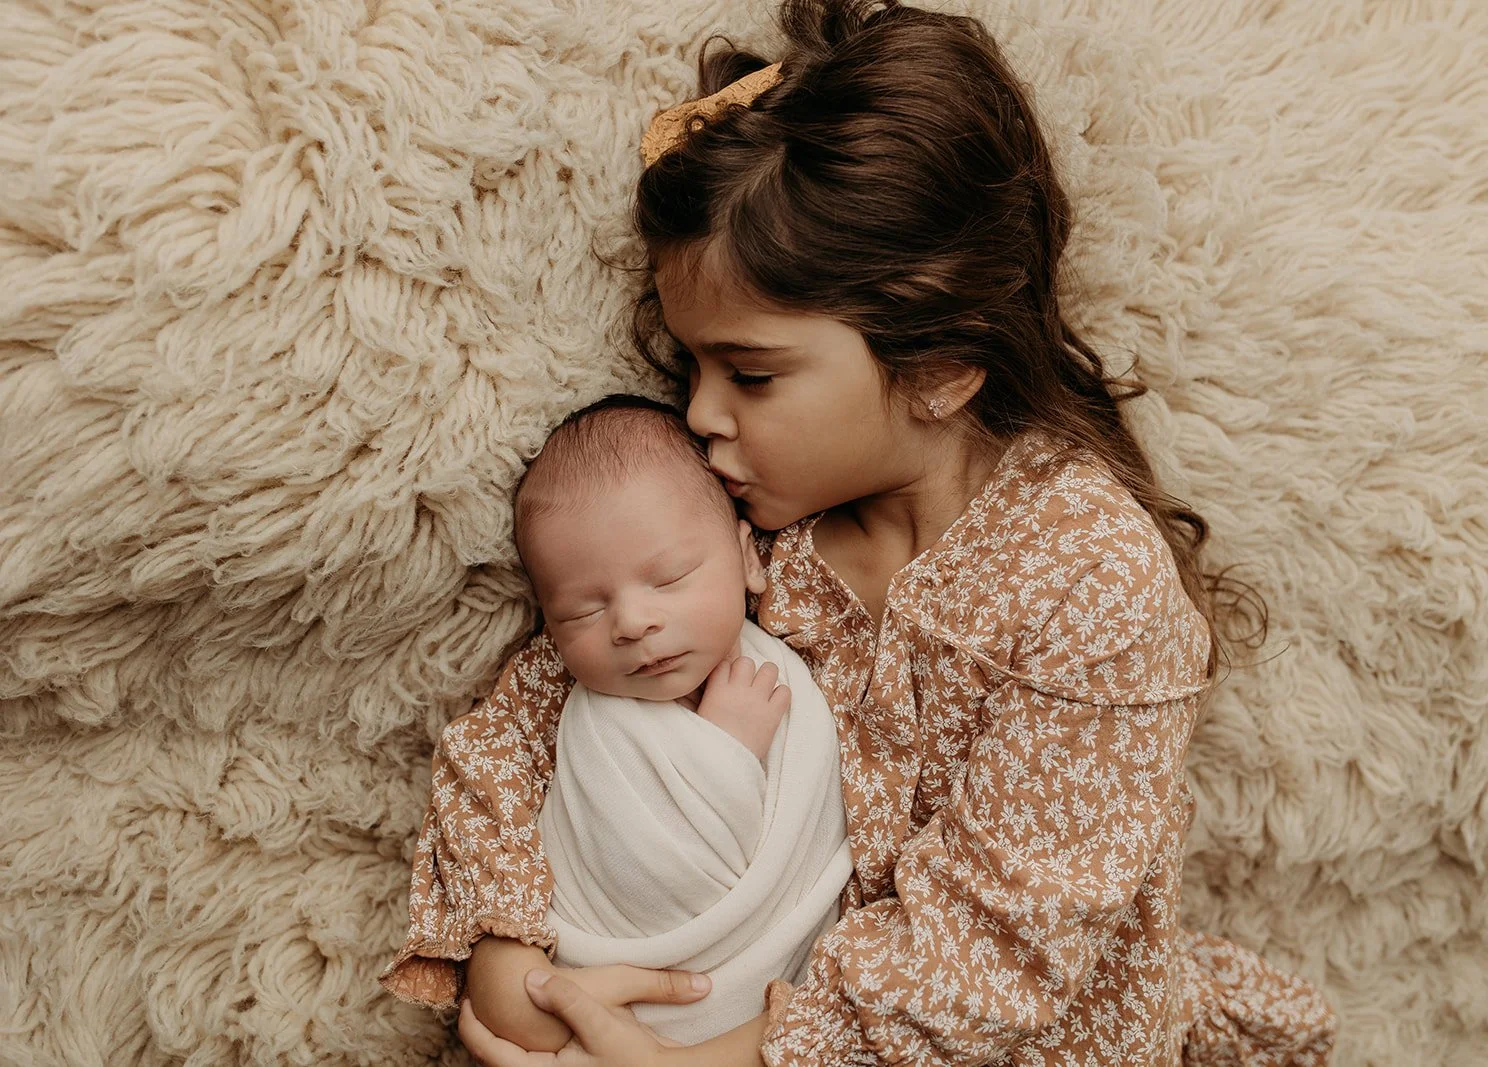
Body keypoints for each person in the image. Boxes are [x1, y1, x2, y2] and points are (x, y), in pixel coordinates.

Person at [377, 0, 1339, 1063]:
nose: (697, 413)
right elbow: (521, 727)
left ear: (935, 366)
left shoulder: (1088, 579)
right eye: (692, 366)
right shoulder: (732, 526)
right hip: (732, 1001)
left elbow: (992, 953)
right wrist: (516, 962)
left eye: (748, 373)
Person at [464, 395, 852, 1052]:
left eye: (668, 577)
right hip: (598, 1004)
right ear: (550, 631)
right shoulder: (578, 725)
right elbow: (631, 864)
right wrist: (727, 750)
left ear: (747, 557)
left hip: (758, 1030)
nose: (631, 622)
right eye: (583, 611)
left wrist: (725, 751)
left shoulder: (794, 676)